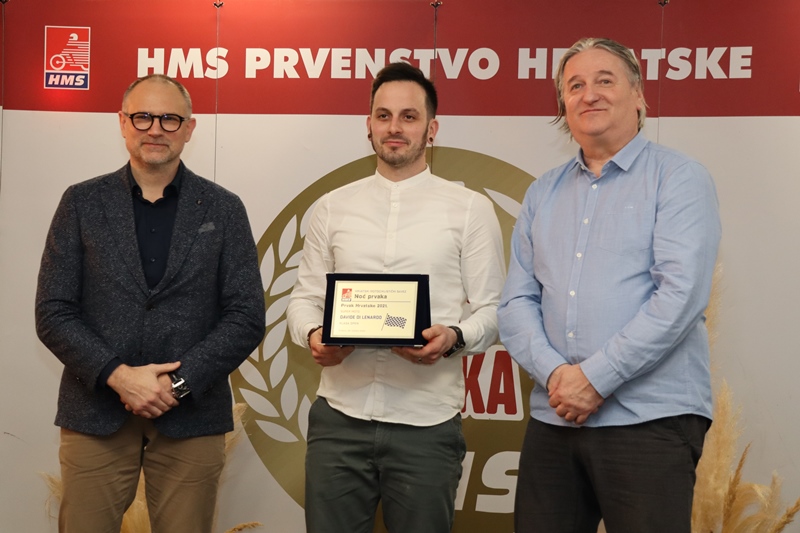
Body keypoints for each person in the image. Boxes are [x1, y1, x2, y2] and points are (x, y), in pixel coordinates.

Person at [498, 37, 721, 533]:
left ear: (638, 95)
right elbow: (516, 302)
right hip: (555, 419)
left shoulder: (679, 178)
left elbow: (680, 296)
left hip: (650, 421)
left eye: (605, 80)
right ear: (563, 105)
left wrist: (596, 377)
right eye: (575, 85)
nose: (589, 94)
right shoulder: (542, 192)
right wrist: (558, 376)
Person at [35, 74, 265, 533]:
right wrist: (120, 377)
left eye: (169, 119)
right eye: (142, 117)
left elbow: (245, 316)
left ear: (189, 128)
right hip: (95, 410)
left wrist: (176, 385)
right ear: (123, 123)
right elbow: (54, 311)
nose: (155, 129)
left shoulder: (224, 208)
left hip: (192, 414)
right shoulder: (81, 202)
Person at [287, 62, 505, 533]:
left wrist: (453, 337)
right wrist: (314, 334)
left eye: (409, 116)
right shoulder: (332, 208)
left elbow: (493, 309)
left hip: (427, 423)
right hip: (339, 420)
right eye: (383, 116)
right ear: (368, 125)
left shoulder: (470, 210)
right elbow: (304, 298)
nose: (394, 127)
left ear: (432, 128)